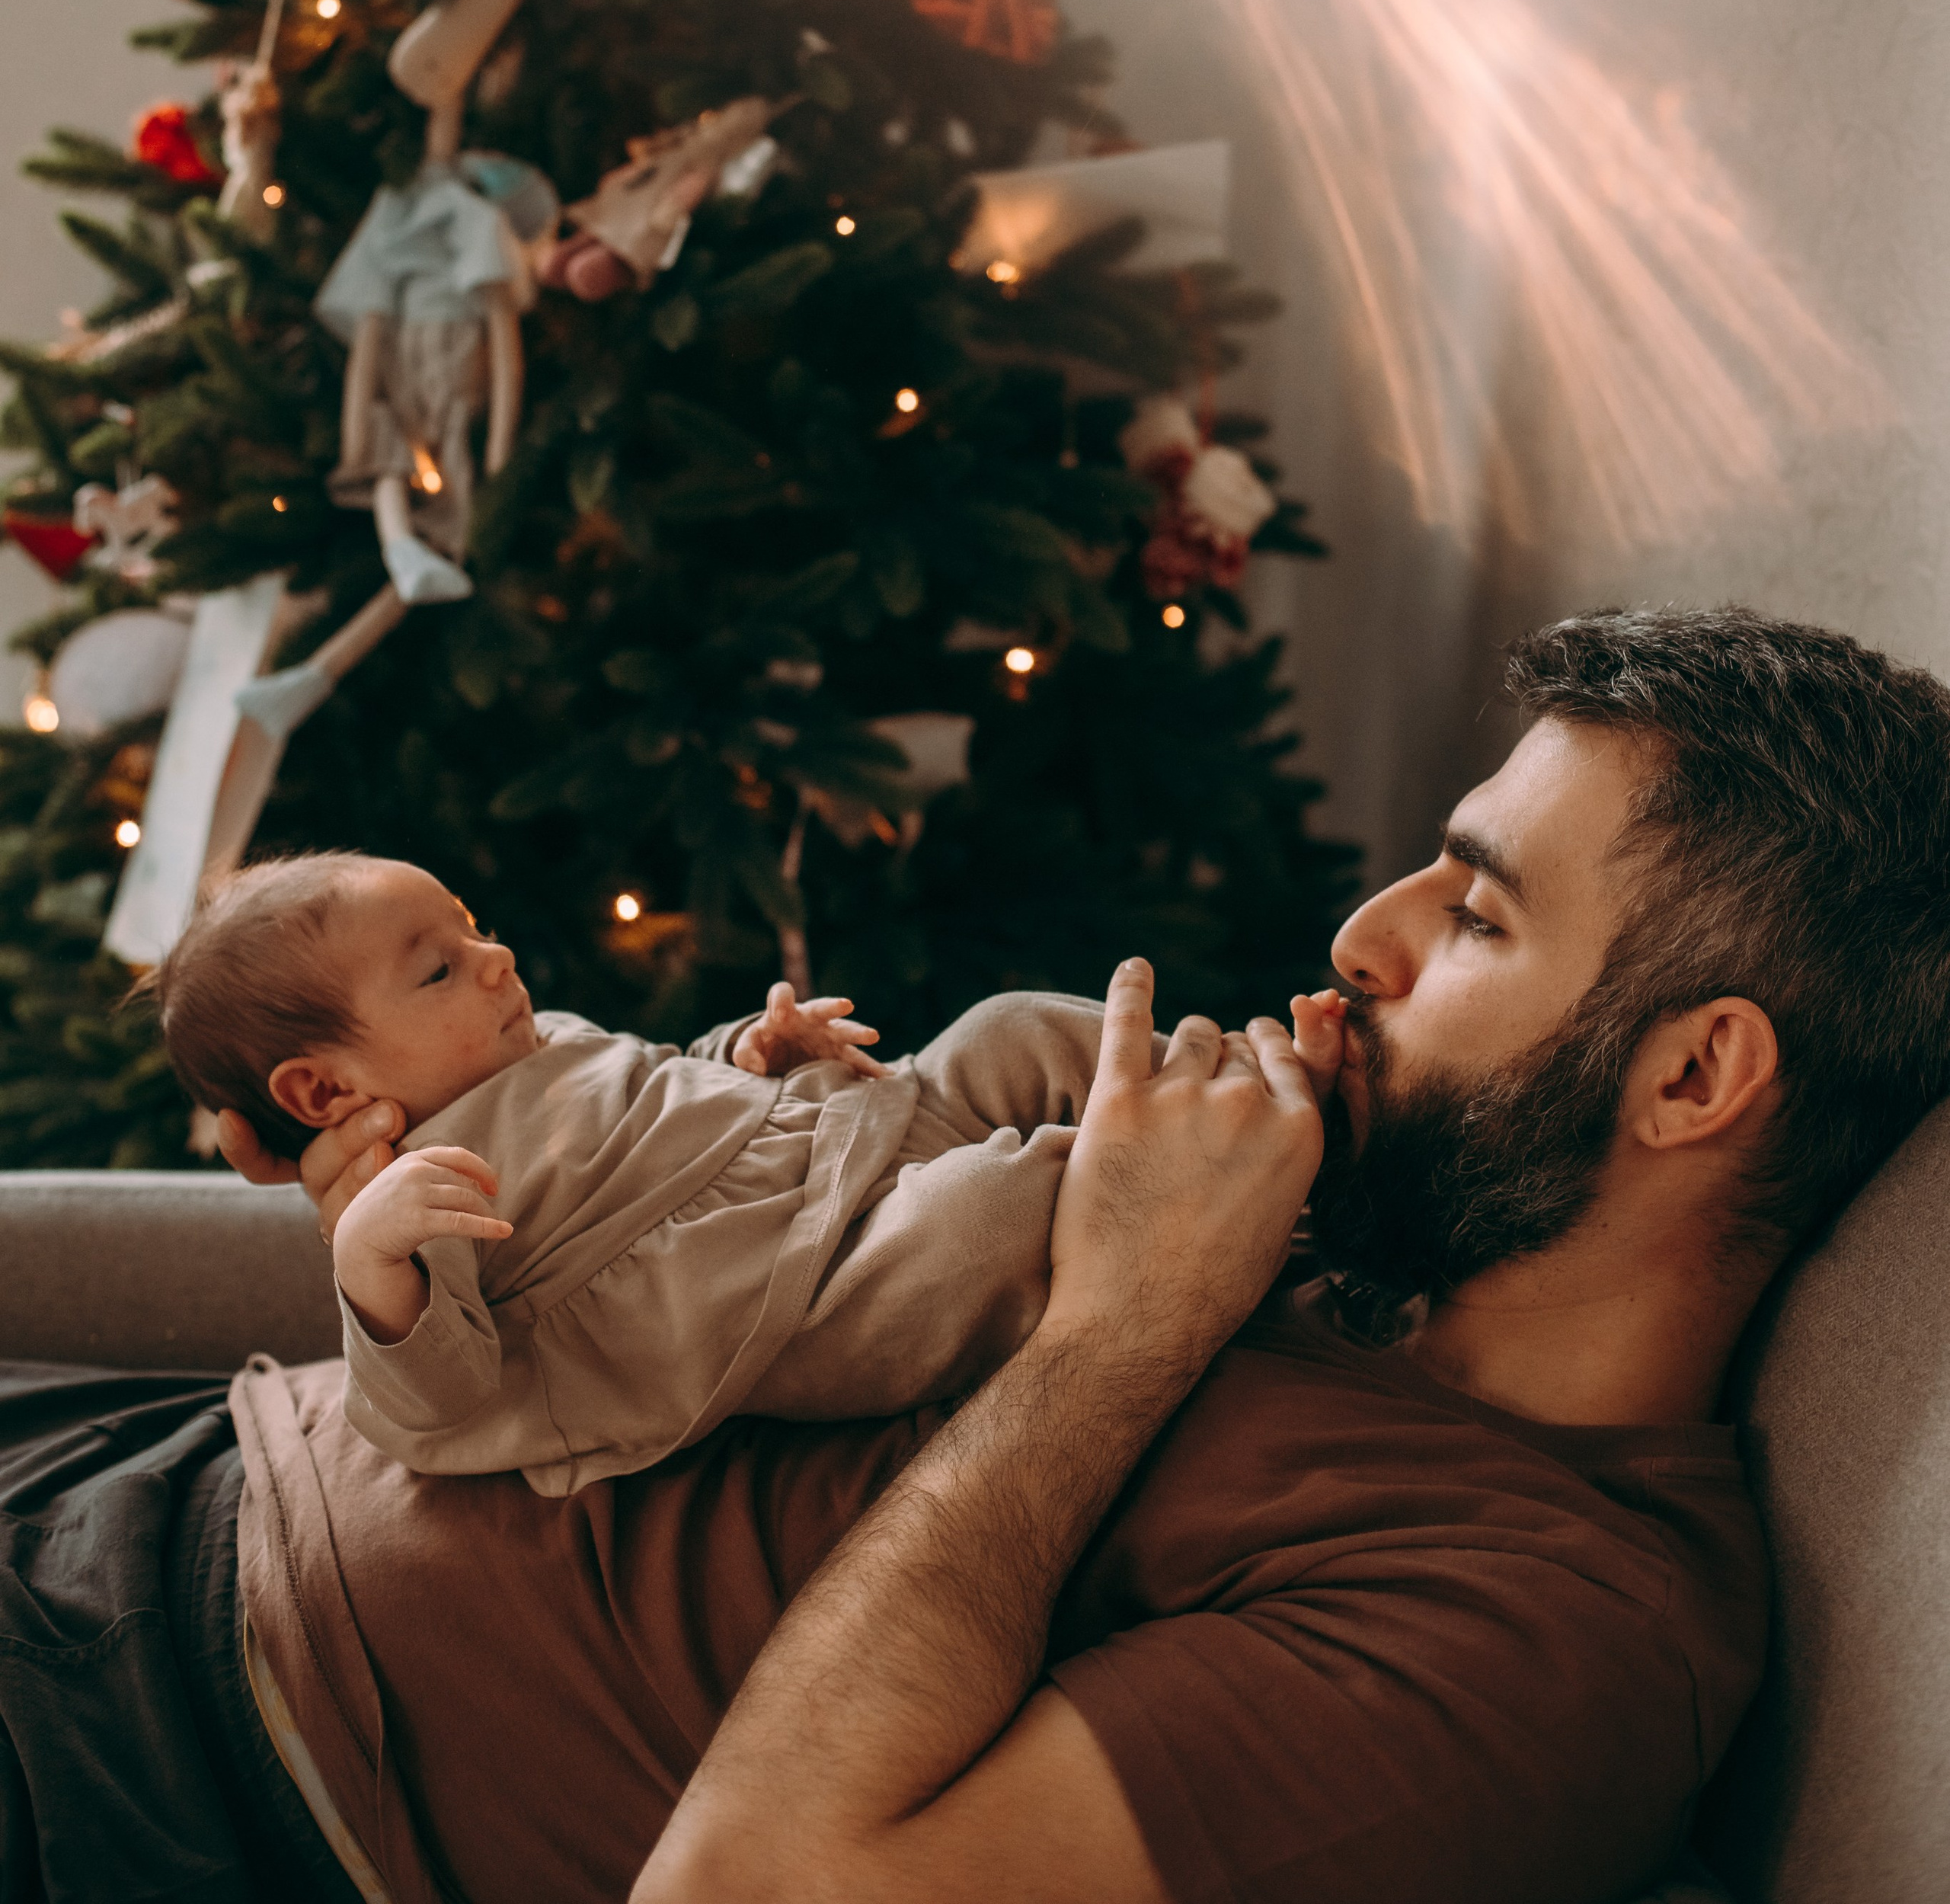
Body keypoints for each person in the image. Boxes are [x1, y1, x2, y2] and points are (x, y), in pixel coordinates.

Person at [193, 606, 1950, 1902]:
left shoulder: (1545, 1631)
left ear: (1694, 1075)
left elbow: (746, 1887)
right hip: (205, 1464)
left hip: (205, 1748)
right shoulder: (1348, 1225)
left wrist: (1121, 1332)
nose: (1360, 935)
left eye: (1475, 911)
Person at [149, 850, 1220, 1488]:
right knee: (987, 1211)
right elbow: (431, 1407)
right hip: (791, 1294)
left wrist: (746, 1053)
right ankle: (1203, 1176)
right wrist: (374, 1267)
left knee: (1010, 1028)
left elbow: (657, 1088)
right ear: (321, 1093)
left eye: (471, 930)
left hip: (832, 1139)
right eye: (439, 968)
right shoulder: (413, 1193)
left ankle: (1238, 1094)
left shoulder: (532, 1035)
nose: (497, 960)